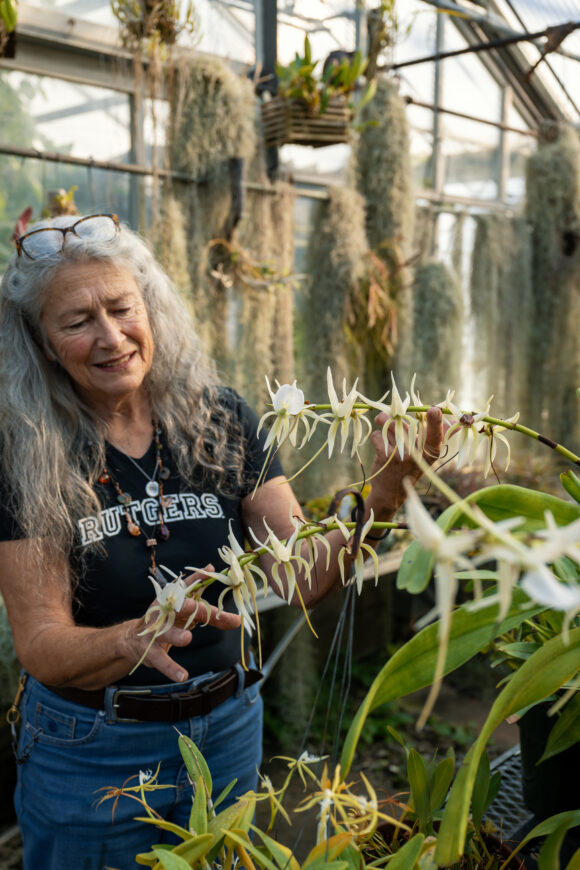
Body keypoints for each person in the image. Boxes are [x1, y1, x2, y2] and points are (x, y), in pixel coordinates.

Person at [0, 213, 443, 870]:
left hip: (228, 726)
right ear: (41, 342)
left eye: (122, 308)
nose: (111, 336)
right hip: (94, 748)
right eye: (77, 321)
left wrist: (380, 498)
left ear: (149, 307)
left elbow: (303, 576)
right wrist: (131, 639)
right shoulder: (27, 453)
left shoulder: (219, 418)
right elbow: (40, 645)